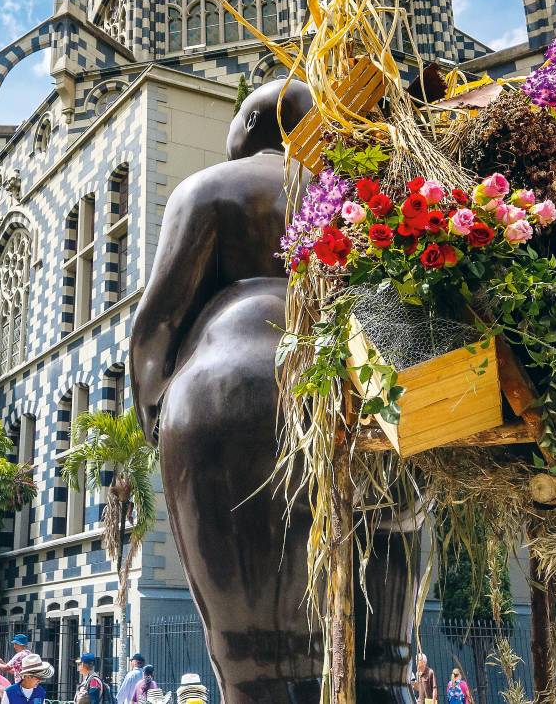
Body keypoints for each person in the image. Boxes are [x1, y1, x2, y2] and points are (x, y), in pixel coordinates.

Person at [130, 81, 421, 704]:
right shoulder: (358, 198)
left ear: (255, 121)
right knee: (381, 658)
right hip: (369, 393)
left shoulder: (211, 187)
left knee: (260, 656)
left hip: (228, 392)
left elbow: (157, 321)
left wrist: (153, 411)